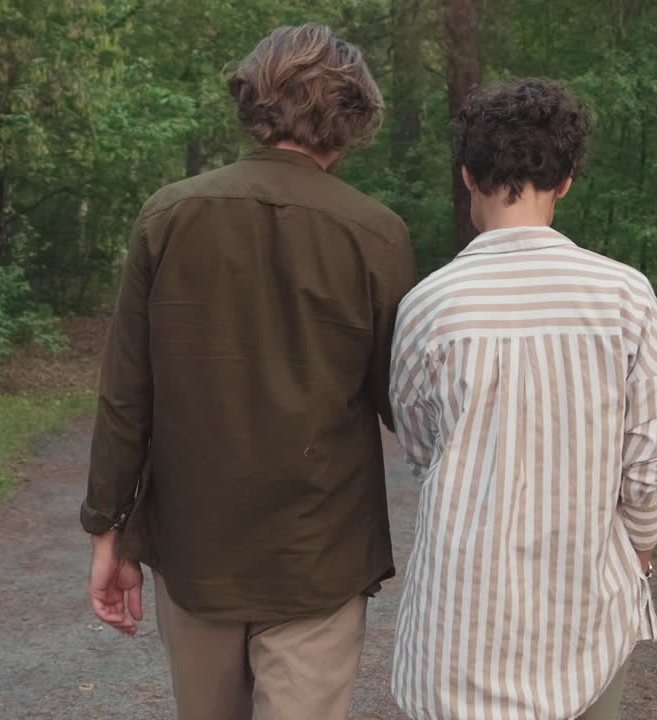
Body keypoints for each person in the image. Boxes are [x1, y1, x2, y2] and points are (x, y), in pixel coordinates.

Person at [81, 24, 416, 720]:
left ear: (253, 102)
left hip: (195, 550)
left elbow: (125, 395)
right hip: (318, 555)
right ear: (351, 117)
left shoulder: (168, 215)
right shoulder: (375, 233)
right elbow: (403, 402)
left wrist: (108, 531)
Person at [388, 79, 657, 720]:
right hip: (586, 607)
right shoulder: (625, 297)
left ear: (468, 175)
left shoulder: (428, 305)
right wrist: (639, 550)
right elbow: (651, 455)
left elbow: (420, 445)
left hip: (458, 625)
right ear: (568, 179)